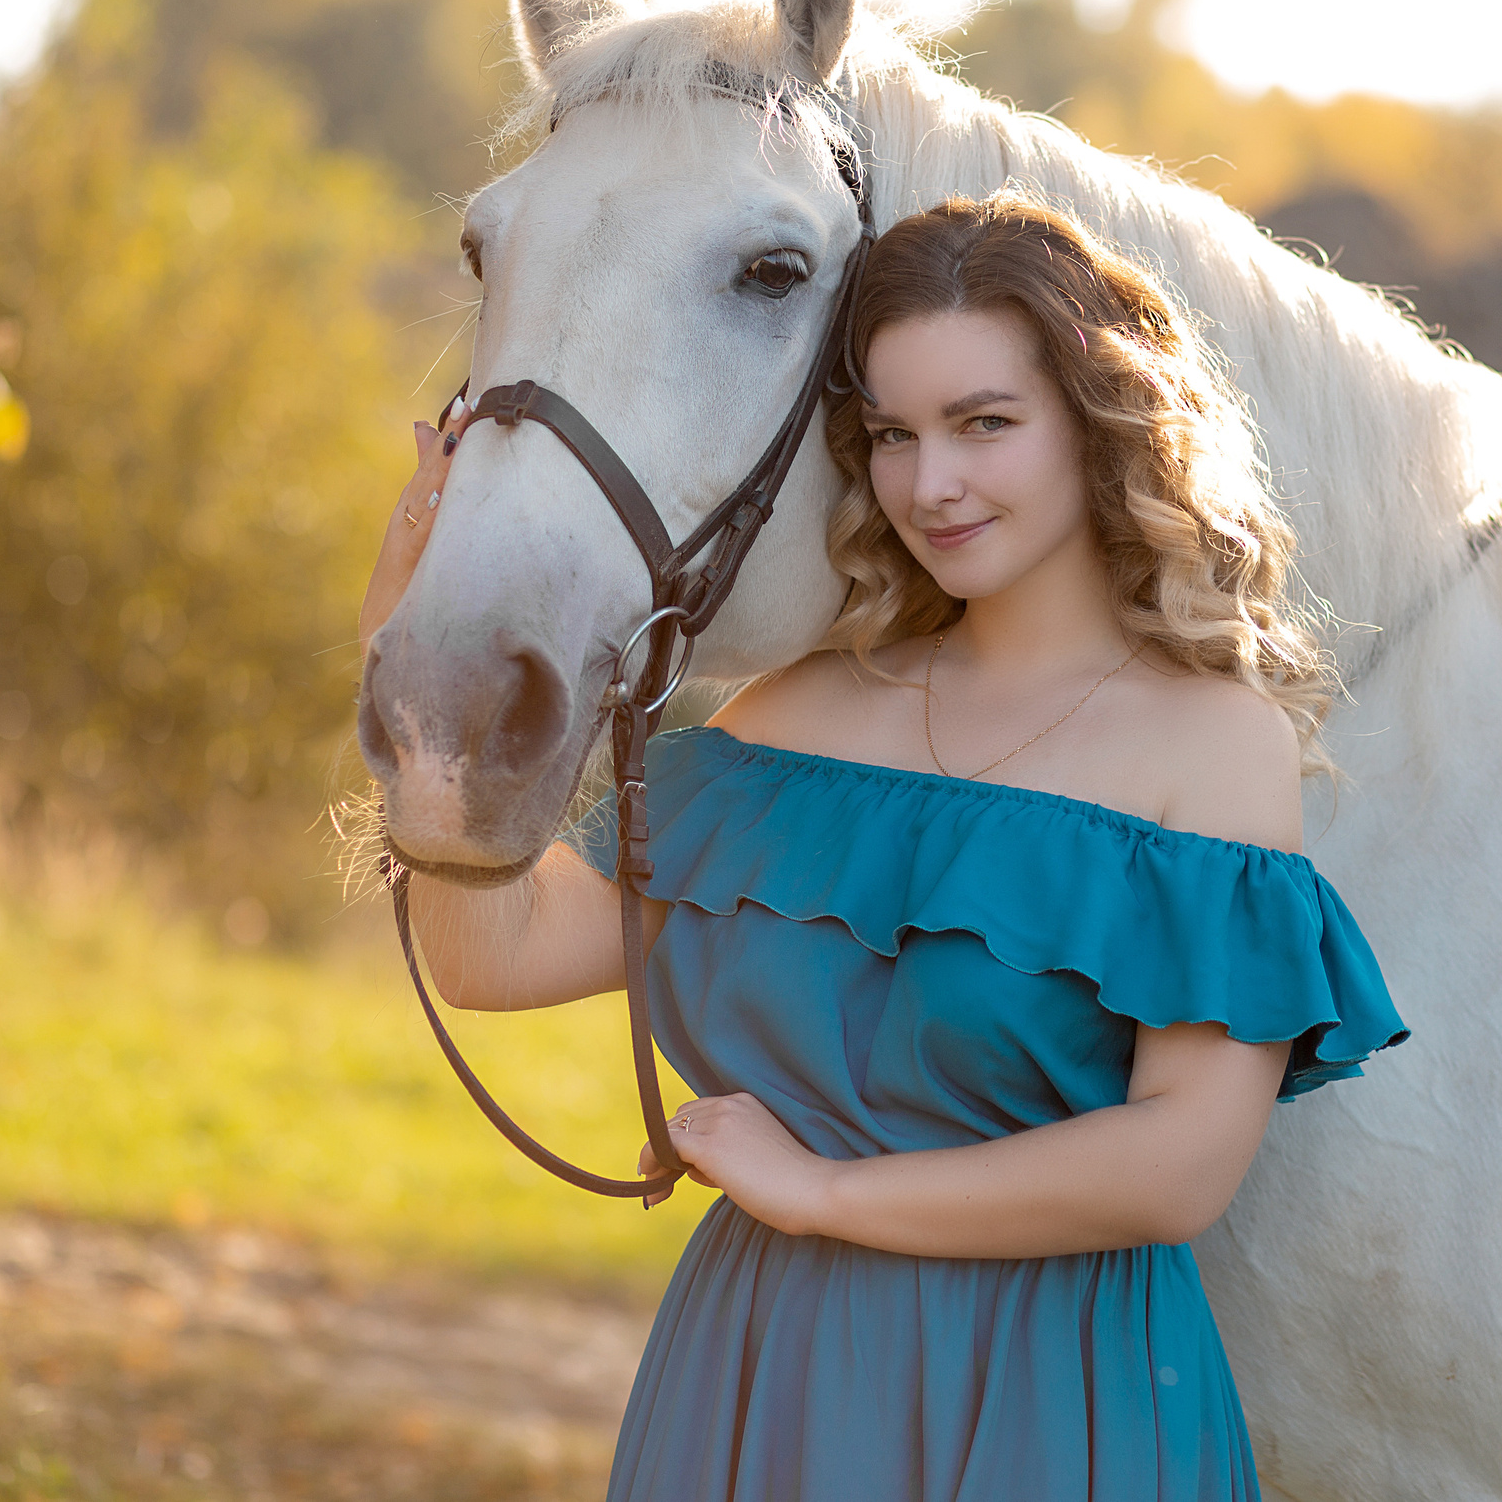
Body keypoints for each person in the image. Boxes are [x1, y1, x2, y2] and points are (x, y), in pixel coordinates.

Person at [358, 192, 1408, 1500]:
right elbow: (491, 955)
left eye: (984, 424)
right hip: (755, 1374)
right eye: (894, 435)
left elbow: (1178, 1164)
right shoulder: (794, 713)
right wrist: (422, 663)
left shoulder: (1212, 746)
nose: (932, 483)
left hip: (1055, 1396)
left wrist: (825, 1198)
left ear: (1096, 420)